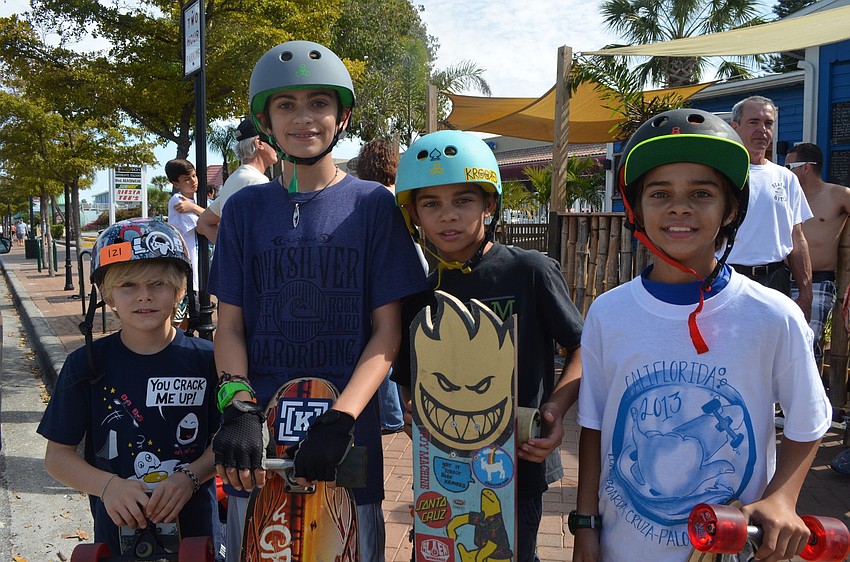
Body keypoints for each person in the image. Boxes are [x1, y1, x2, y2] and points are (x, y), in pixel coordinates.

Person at [573, 109, 831, 562]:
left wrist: (782, 497)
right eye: (660, 193)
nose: (680, 207)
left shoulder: (774, 315)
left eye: (702, 193)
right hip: (622, 548)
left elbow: (808, 421)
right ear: (636, 209)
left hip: (731, 550)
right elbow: (593, 427)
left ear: (730, 209)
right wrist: (585, 526)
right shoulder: (608, 313)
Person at [208, 40, 428, 562]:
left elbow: (386, 333)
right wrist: (237, 405)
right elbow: (229, 325)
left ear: (342, 115)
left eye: (319, 103)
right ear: (265, 121)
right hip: (258, 444)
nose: (303, 117)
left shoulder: (372, 205)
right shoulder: (244, 209)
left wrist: (342, 418)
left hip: (345, 440)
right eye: (286, 104)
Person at [391, 130, 583, 562]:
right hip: (444, 471)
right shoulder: (418, 296)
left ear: (489, 204)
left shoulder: (529, 271)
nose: (448, 216)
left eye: (463, 200)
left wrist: (555, 411)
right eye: (430, 204)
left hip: (520, 462)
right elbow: (407, 376)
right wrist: (411, 413)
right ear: (414, 215)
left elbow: (581, 348)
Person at [36, 218, 219, 555]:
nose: (144, 296)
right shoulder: (85, 364)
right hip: (116, 538)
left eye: (158, 284)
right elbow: (57, 457)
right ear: (107, 295)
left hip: (197, 537)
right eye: (128, 285)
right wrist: (107, 486)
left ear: (180, 290)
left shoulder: (208, 360)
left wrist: (190, 477)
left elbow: (226, 440)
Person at [727, 95, 814, 319]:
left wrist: (806, 295)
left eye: (768, 123)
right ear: (735, 127)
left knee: (774, 341)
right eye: (753, 122)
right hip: (728, 278)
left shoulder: (786, 178)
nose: (762, 130)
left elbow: (797, 238)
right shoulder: (720, 176)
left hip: (776, 280)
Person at [355, 138, 412, 434]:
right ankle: (397, 411)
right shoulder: (398, 194)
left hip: (384, 271)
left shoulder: (368, 198)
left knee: (383, 345)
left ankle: (391, 415)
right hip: (409, 266)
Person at [785, 143, 850, 367]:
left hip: (818, 280)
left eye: (789, 166)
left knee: (807, 341)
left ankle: (811, 388)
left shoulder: (838, 195)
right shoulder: (785, 196)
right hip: (780, 277)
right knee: (779, 343)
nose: (785, 171)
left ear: (806, 167)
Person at [196, 118, 278, 242]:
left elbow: (203, 222)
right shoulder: (258, 181)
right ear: (258, 143)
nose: (278, 146)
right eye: (273, 140)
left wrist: (228, 249)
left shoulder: (232, 180)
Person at [166, 158, 203, 327]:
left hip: (196, 267)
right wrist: (197, 209)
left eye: (194, 176)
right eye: (187, 179)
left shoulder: (195, 201)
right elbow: (205, 222)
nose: (193, 181)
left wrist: (194, 208)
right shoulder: (178, 200)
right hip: (183, 266)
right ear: (176, 183)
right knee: (178, 316)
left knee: (191, 315)